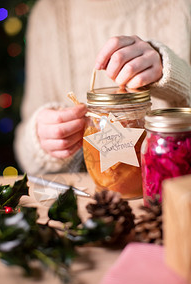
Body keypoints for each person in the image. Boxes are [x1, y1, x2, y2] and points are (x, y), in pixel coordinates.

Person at [14, 0, 191, 175]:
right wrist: (41, 141)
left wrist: (173, 76)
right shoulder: (48, 14)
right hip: (89, 198)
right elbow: (26, 155)